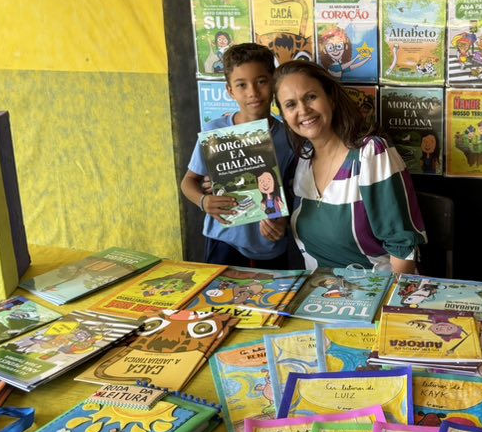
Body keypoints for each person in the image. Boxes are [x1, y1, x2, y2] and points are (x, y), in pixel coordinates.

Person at [273, 61, 426, 273]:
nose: (303, 110)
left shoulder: (371, 154)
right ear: (283, 115)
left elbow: (403, 252)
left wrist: (389, 303)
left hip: (376, 293)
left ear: (331, 99)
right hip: (320, 295)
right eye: (291, 105)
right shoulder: (303, 161)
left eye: (311, 97)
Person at [180, 43, 295, 268]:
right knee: (221, 300)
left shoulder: (290, 138)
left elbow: (295, 193)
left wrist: (285, 222)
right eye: (241, 85)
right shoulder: (215, 132)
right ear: (230, 90)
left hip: (270, 242)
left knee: (270, 302)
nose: (252, 92)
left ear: (273, 82)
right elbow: (188, 182)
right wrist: (203, 201)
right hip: (224, 240)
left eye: (261, 81)